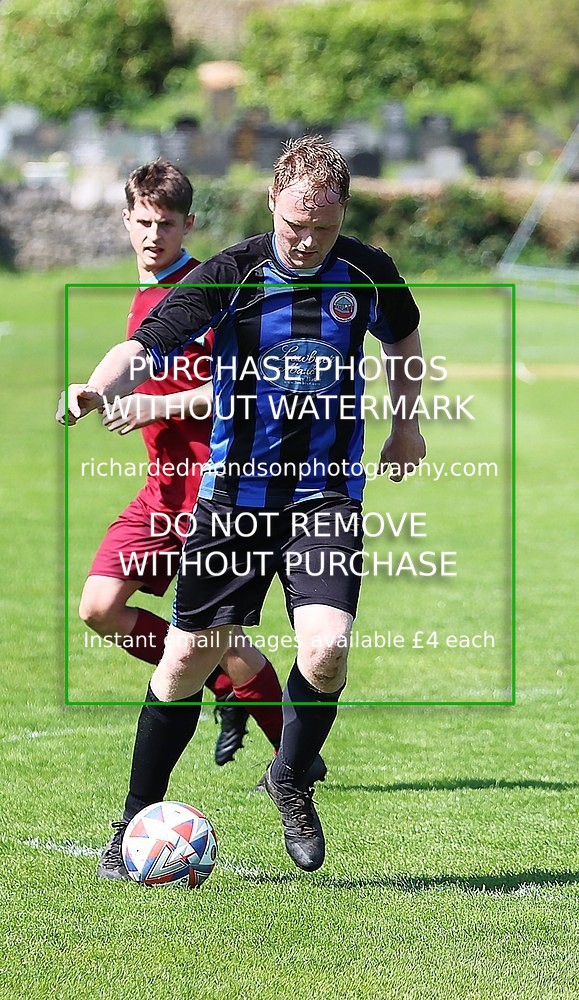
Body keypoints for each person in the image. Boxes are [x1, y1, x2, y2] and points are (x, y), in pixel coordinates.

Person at [58, 136, 425, 873]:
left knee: (324, 651)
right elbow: (149, 341)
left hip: (325, 494)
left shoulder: (367, 271)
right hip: (233, 497)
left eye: (320, 228)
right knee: (188, 658)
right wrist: (99, 386)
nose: (304, 241)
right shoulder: (232, 271)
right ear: (273, 203)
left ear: (340, 214)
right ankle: (132, 820)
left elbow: (404, 335)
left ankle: (289, 777)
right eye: (293, 225)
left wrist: (406, 421)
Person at [71, 160, 326, 880]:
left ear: (189, 224)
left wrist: (157, 405)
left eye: (166, 223)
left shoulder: (208, 290)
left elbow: (242, 390)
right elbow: (131, 366)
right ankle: (240, 705)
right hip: (160, 490)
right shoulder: (145, 292)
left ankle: (293, 763)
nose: (152, 235)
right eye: (142, 221)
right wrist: (92, 390)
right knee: (101, 608)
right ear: (126, 220)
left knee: (219, 646)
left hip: (211, 494)